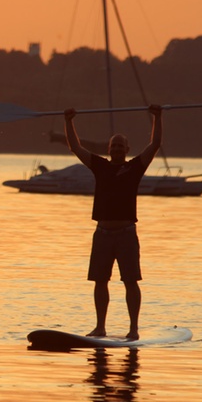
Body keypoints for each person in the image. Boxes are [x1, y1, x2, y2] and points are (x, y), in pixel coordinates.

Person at [64, 105, 162, 340]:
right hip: (102, 234)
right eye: (113, 146)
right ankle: (100, 327)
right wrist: (69, 121)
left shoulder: (135, 167)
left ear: (127, 149)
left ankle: (133, 329)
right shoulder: (100, 166)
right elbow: (75, 147)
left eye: (121, 146)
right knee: (100, 281)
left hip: (126, 234)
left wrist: (157, 117)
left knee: (130, 281)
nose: (117, 149)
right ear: (109, 150)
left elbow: (155, 144)